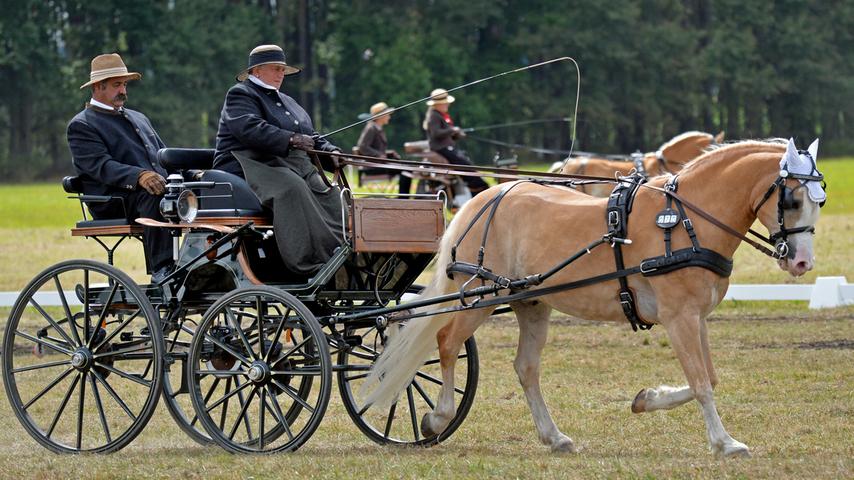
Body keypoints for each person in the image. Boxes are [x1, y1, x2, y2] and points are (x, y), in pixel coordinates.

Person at [214, 44, 344, 276]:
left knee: (330, 193)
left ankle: (339, 253)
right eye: (275, 69)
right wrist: (291, 139)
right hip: (249, 163)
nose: (280, 74)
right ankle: (306, 263)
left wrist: (330, 152)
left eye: (283, 70)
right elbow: (250, 128)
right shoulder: (240, 94)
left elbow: (311, 135)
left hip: (289, 164)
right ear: (256, 71)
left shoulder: (287, 100)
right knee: (291, 189)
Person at [67, 53, 173, 282]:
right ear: (98, 87)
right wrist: (139, 176)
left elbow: (163, 157)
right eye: (117, 85)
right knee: (154, 195)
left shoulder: (138, 117)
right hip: (113, 200)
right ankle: (162, 270)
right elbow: (101, 166)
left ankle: (201, 265)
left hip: (150, 190)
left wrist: (190, 174)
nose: (123, 90)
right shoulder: (82, 124)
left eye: (124, 84)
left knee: (205, 190)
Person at [423, 88, 489, 195]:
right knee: (463, 164)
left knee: (465, 161)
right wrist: (452, 130)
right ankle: (478, 187)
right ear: (437, 105)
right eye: (444, 104)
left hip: (446, 147)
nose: (447, 105)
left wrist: (456, 134)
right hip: (440, 148)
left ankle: (476, 186)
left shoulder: (439, 115)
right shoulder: (434, 116)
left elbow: (445, 134)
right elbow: (436, 134)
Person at [356, 101, 412, 197]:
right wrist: (379, 155)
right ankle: (403, 199)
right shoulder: (371, 128)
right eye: (387, 115)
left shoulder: (378, 128)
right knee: (405, 170)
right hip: (371, 166)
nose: (389, 117)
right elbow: (362, 146)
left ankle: (403, 198)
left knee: (407, 168)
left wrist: (389, 153)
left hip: (379, 164)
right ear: (380, 116)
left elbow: (376, 149)